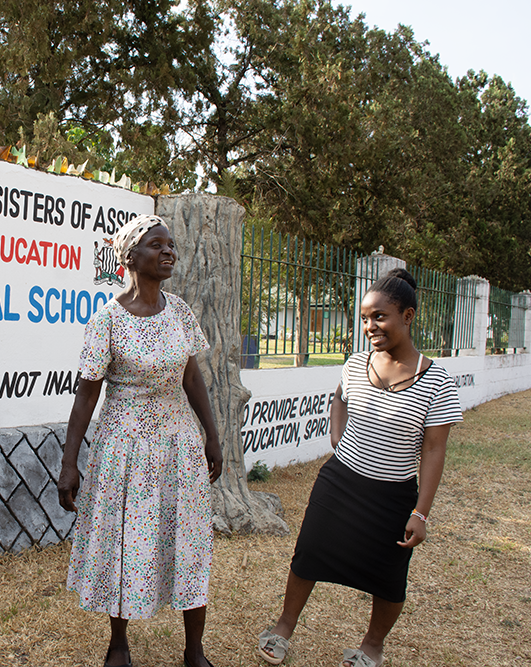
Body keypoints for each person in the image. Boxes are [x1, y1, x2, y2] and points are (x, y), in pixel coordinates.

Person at [256, 268, 463, 667]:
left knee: (388, 576)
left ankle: (372, 647)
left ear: (408, 316)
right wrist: (337, 435)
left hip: (392, 494)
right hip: (339, 483)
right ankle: (283, 627)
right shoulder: (355, 364)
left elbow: (434, 451)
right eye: (365, 318)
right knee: (309, 554)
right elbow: (339, 397)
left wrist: (420, 512)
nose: (370, 326)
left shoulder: (437, 380)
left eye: (379, 317)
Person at [58, 214, 223, 667]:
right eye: (156, 245)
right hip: (124, 449)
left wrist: (212, 435)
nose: (168, 251)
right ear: (131, 257)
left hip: (179, 447)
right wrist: (70, 463)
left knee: (188, 540)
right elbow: (85, 397)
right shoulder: (107, 320)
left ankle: (194, 650)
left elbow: (192, 377)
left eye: (170, 245)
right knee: (126, 540)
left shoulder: (181, 312)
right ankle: (118, 644)